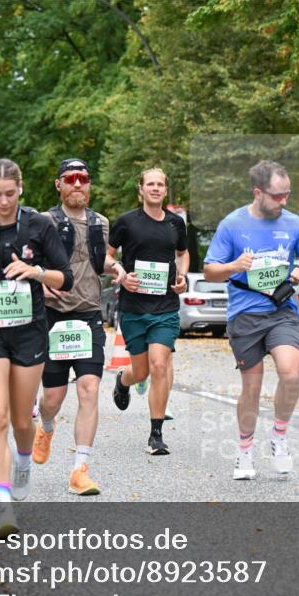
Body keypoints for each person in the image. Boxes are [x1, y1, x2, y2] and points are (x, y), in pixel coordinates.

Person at [0, 158, 73, 537]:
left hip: (28, 331)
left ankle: (23, 459)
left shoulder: (40, 225)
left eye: (9, 194)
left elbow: (65, 278)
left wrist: (36, 272)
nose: (3, 202)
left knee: (23, 420)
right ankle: (2, 506)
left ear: (20, 188)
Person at [203, 160, 299, 480]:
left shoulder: (293, 223)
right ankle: (245, 452)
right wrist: (233, 266)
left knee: (290, 374)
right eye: (277, 196)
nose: (283, 201)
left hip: (281, 310)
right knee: (252, 387)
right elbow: (209, 270)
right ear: (258, 193)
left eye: (287, 194)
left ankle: (279, 435)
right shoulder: (232, 225)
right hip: (245, 313)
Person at [34, 158, 122, 495]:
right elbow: (30, 262)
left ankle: (80, 470)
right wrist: (39, 283)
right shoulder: (44, 221)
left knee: (88, 389)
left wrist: (117, 268)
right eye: (70, 178)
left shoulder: (101, 222)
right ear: (59, 184)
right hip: (54, 316)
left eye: (83, 178)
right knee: (53, 399)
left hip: (88, 315)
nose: (77, 184)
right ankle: (45, 425)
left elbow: (97, 259)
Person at [108, 168, 189, 455]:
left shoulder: (175, 223)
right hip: (134, 307)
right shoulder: (126, 222)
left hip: (165, 307)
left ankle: (156, 434)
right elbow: (107, 256)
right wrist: (120, 274)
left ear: (166, 190)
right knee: (140, 371)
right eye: (150, 184)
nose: (155, 188)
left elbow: (182, 253)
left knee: (159, 364)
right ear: (141, 189)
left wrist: (182, 277)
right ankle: (123, 380)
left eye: (160, 184)